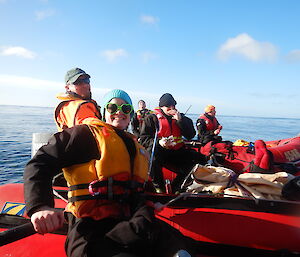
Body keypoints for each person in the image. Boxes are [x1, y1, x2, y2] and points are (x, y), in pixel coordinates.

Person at [24, 89, 193, 257]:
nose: (119, 112)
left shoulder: (136, 146)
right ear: (104, 112)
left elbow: (139, 185)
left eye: (125, 108)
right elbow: (41, 162)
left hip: (132, 221)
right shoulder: (85, 134)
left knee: (179, 246)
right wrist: (40, 206)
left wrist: (150, 202)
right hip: (92, 227)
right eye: (112, 108)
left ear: (131, 114)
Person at [139, 93, 207, 193]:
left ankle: (177, 186)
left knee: (200, 159)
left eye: (173, 105)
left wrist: (180, 121)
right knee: (152, 158)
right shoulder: (151, 119)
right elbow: (144, 139)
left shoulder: (182, 118)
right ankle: (159, 187)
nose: (171, 108)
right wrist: (159, 142)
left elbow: (191, 135)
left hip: (177, 151)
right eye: (168, 106)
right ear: (161, 107)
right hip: (160, 152)